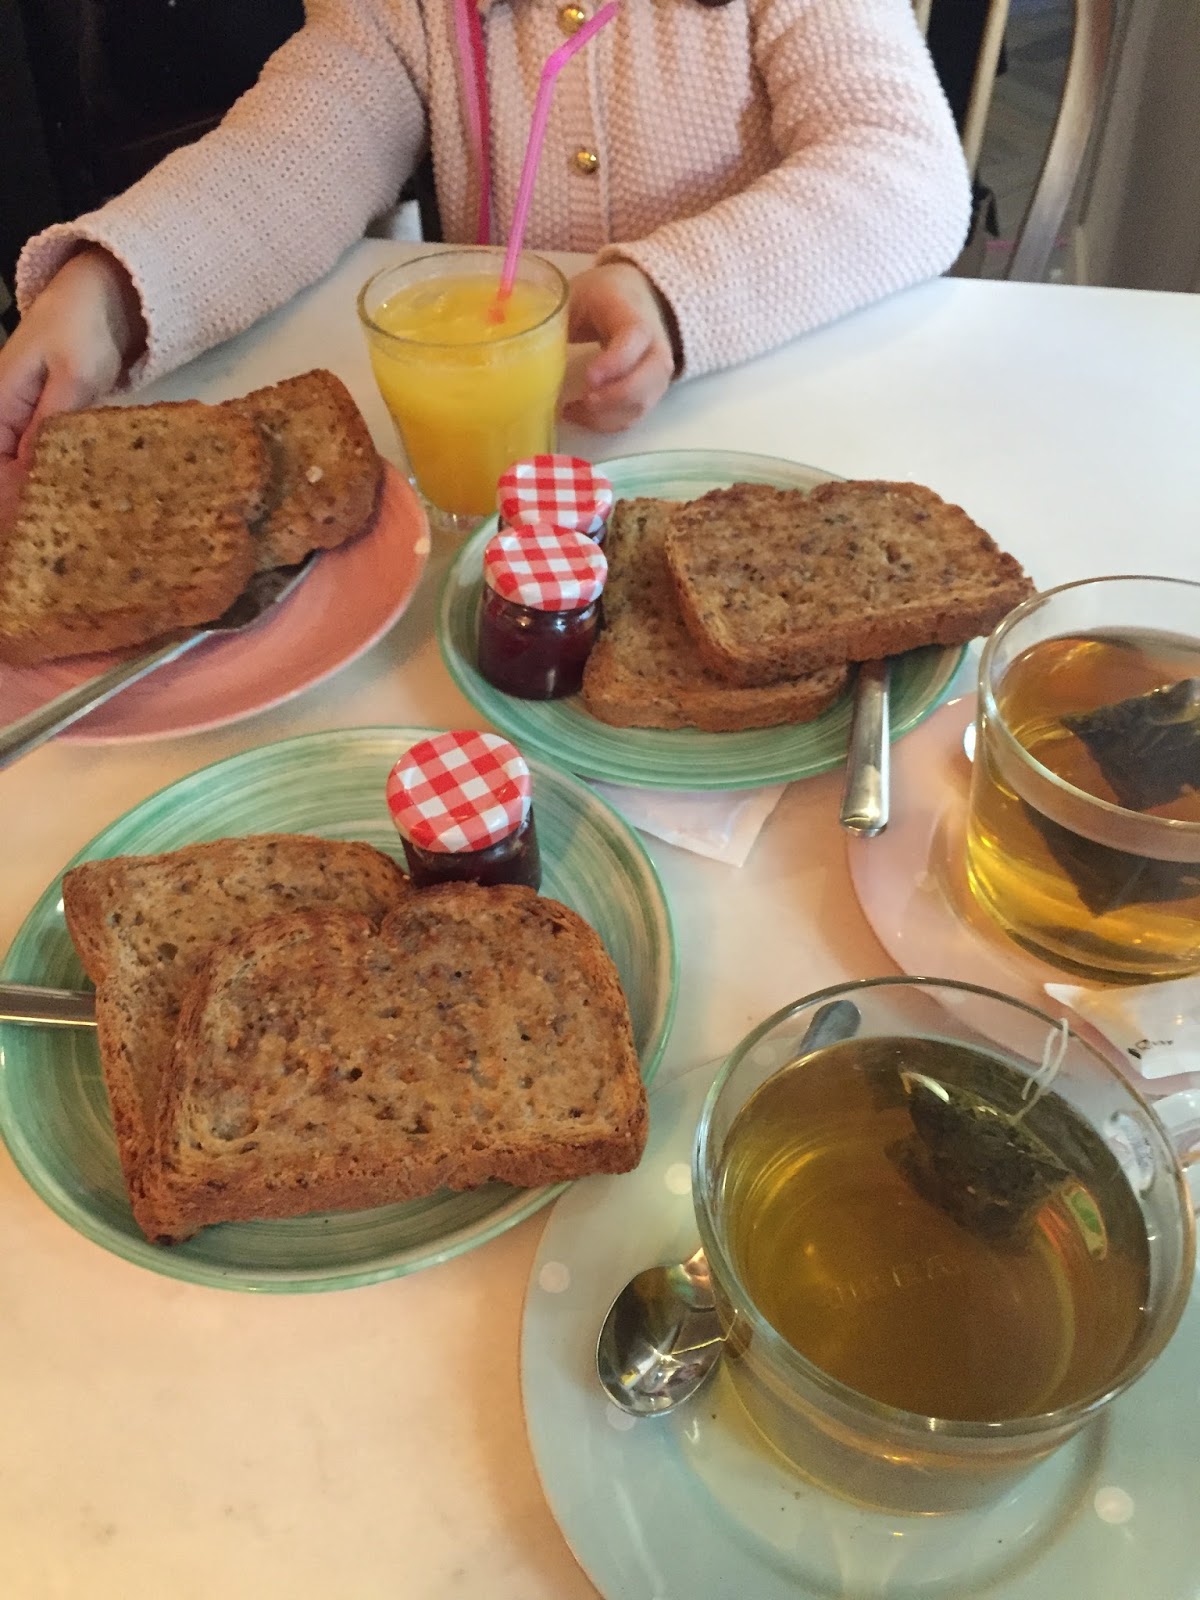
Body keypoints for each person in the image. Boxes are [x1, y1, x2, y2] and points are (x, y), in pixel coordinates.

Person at [0, 0, 970, 470]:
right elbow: (295, 151)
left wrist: (675, 294)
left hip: (770, 439)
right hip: (513, 469)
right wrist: (113, 289)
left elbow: (907, 168)